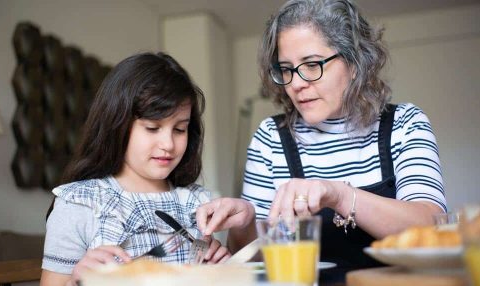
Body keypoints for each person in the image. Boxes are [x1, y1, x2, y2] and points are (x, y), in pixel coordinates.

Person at [196, 0, 446, 280]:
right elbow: (252, 261)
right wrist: (244, 224)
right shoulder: (270, 138)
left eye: (312, 65)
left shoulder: (405, 123)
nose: (296, 83)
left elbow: (431, 227)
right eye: (286, 69)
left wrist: (339, 195)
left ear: (354, 63)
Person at [40, 52, 230, 286]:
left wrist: (222, 270)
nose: (168, 144)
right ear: (117, 124)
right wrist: (76, 281)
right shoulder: (78, 204)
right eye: (152, 128)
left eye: (180, 129)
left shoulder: (197, 203)